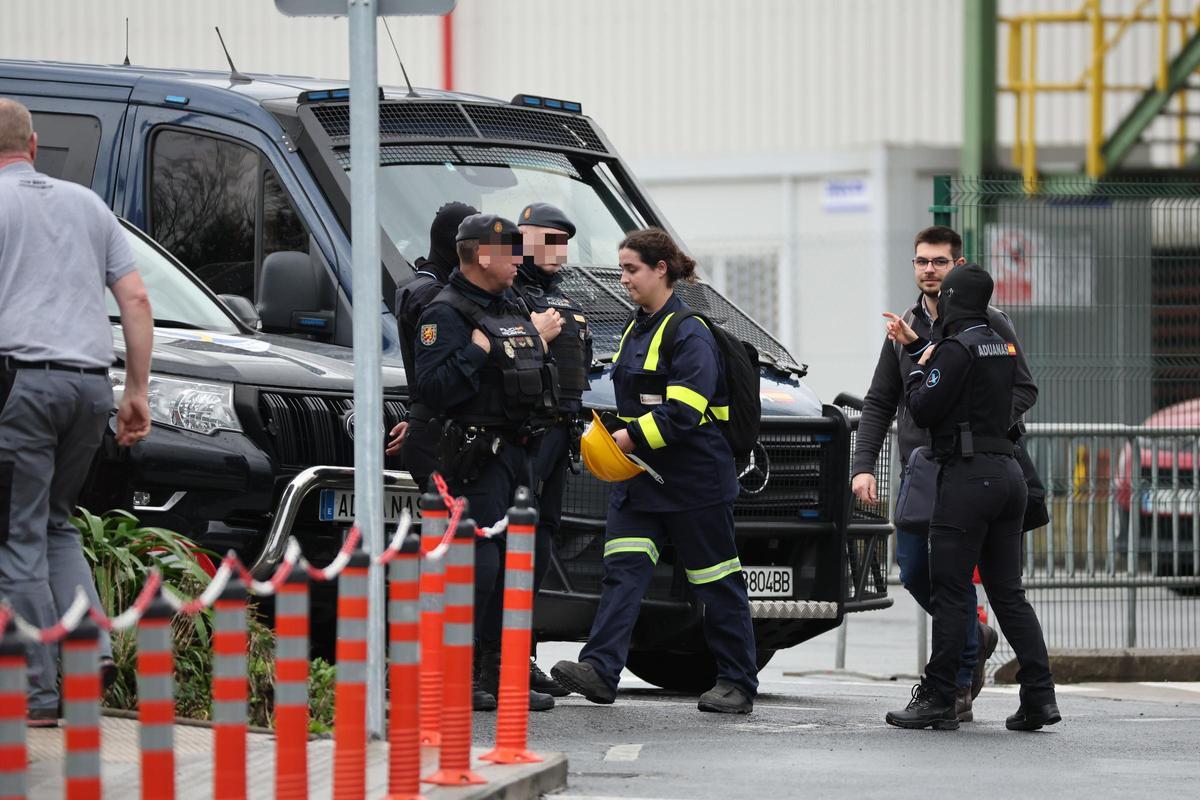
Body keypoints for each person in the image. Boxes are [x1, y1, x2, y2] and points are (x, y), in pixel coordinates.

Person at [552, 228, 758, 714]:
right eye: (622, 269)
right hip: (641, 480)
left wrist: (623, 439)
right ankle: (600, 669)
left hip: (694, 484)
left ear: (661, 269)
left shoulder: (689, 332)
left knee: (716, 581)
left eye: (632, 269)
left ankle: (737, 682)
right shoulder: (637, 326)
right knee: (623, 572)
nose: (624, 279)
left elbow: (683, 412)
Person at [0, 98, 153, 726]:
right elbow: (136, 298)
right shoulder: (88, 204)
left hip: (20, 386)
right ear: (34, 146)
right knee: (55, 525)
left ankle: (36, 696)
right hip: (90, 387)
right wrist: (136, 390)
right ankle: (90, 657)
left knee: (17, 537)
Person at [851, 225, 1036, 722]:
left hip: (973, 472)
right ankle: (975, 638)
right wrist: (863, 466)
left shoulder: (990, 323)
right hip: (922, 474)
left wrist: (977, 426)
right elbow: (880, 401)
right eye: (921, 261)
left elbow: (1023, 388)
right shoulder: (905, 326)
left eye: (938, 261)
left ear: (957, 266)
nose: (928, 270)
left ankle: (954, 688)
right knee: (916, 572)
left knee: (960, 582)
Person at [885, 262, 1058, 731]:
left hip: (967, 479)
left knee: (951, 589)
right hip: (1009, 476)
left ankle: (939, 695)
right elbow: (969, 385)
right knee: (1008, 593)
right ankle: (1039, 697)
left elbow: (924, 407)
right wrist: (922, 350)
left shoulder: (956, 348)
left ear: (954, 299)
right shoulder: (1001, 345)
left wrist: (916, 371)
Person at [413, 212, 558, 713]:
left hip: (518, 452)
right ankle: (457, 673)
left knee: (516, 566)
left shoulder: (511, 305)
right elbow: (433, 389)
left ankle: (502, 675)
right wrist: (476, 352)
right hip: (474, 457)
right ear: (479, 255)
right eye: (509, 250)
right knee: (479, 566)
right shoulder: (444, 313)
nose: (519, 259)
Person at [510, 202, 589, 699]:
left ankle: (523, 654)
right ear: (523, 238)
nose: (560, 251)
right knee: (514, 542)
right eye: (550, 240)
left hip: (562, 433)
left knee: (541, 543)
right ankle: (501, 660)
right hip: (528, 435)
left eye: (564, 242)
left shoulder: (559, 295)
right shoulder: (508, 294)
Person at [388, 201, 479, 480]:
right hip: (438, 432)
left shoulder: (426, 286)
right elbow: (441, 371)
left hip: (432, 424)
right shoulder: (432, 295)